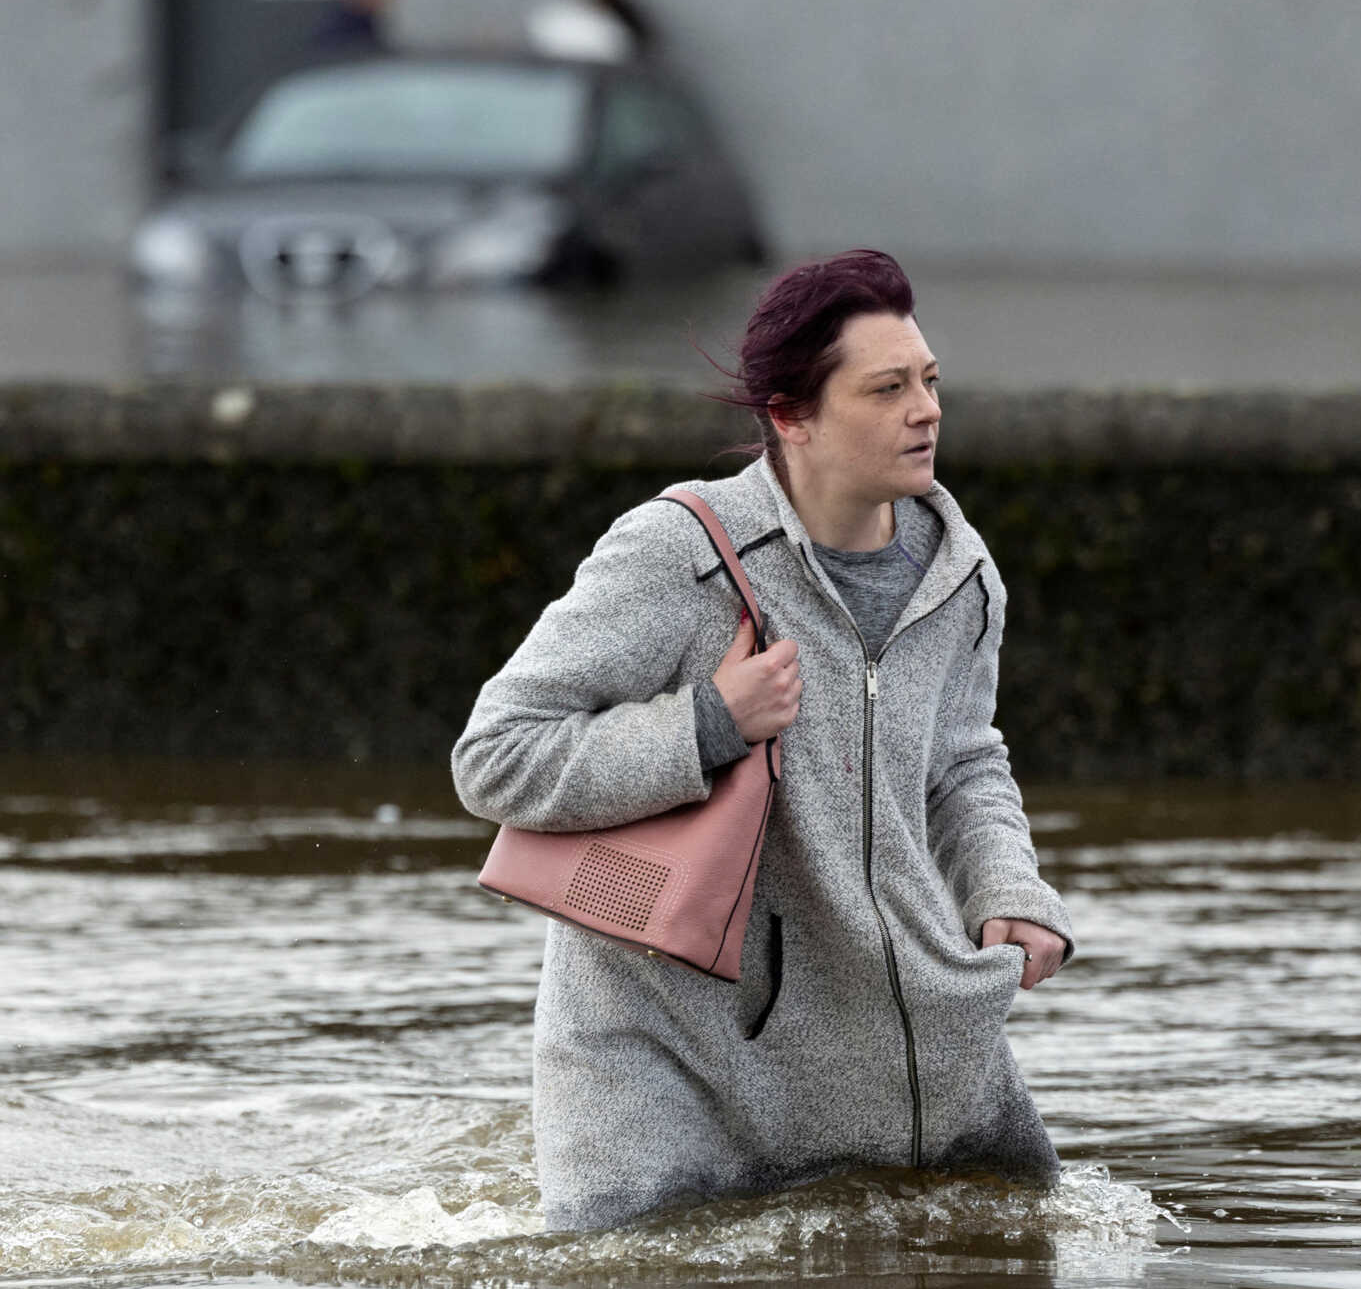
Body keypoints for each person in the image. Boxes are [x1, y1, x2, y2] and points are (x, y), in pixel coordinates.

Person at [453, 249, 1075, 1233]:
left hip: (892, 1043)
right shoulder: (679, 552)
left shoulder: (961, 573)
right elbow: (496, 757)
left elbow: (962, 761)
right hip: (660, 1054)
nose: (926, 411)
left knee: (1008, 1281)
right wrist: (706, 723)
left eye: (928, 380)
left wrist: (1007, 891)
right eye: (886, 389)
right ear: (790, 414)